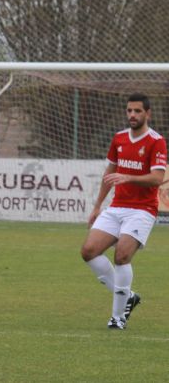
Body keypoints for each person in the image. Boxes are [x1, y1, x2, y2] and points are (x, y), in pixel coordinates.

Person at [80, 93, 167, 330]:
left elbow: (158, 178)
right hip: (117, 207)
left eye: (137, 111)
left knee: (122, 255)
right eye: (129, 110)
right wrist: (98, 206)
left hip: (142, 210)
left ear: (147, 114)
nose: (132, 115)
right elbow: (109, 175)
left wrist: (128, 176)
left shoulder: (156, 141)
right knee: (89, 251)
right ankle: (128, 296)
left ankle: (117, 317)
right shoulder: (119, 138)